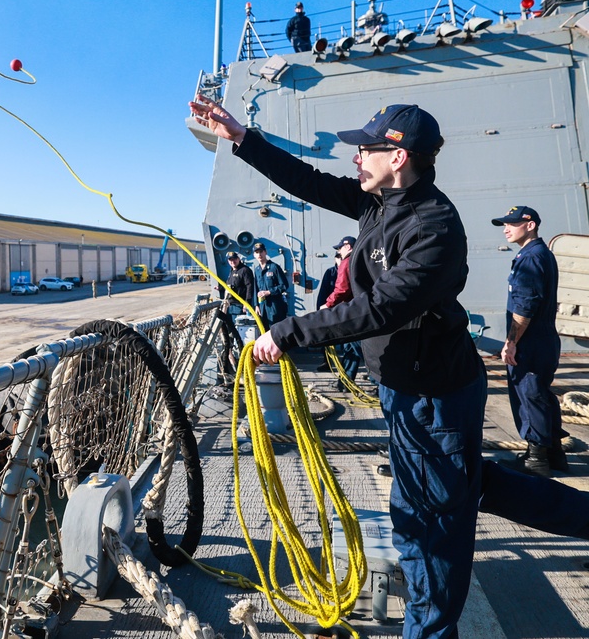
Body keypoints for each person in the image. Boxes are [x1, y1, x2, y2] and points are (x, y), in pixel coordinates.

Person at [188, 95, 589, 639]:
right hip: (404, 386)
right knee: (461, 488)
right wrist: (241, 137)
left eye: (365, 149)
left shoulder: (434, 227)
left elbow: (382, 308)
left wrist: (288, 332)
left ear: (397, 157)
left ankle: (428, 632)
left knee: (431, 523)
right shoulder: (378, 204)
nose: (355, 158)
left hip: (436, 394)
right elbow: (307, 181)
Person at [492, 206, 566, 476]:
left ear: (530, 224)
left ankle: (537, 460)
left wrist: (511, 342)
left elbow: (525, 306)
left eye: (511, 224)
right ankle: (554, 453)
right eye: (504, 224)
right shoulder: (540, 254)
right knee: (541, 395)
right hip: (542, 337)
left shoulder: (532, 257)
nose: (506, 229)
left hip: (531, 341)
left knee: (530, 395)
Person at [323, 235, 365, 391]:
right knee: (352, 348)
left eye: (339, 248)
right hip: (362, 311)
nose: (338, 252)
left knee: (361, 349)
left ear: (347, 247)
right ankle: (346, 382)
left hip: (354, 314)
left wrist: (327, 304)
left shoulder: (347, 262)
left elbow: (342, 289)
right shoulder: (361, 260)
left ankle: (379, 383)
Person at [252, 242, 288, 325]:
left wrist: (269, 292)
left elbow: (284, 285)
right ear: (254, 255)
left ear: (265, 252)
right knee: (264, 331)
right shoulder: (257, 270)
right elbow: (255, 289)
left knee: (276, 332)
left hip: (275, 306)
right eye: (257, 252)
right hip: (262, 307)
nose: (259, 254)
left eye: (261, 251)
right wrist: (256, 305)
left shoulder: (274, 267)